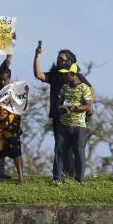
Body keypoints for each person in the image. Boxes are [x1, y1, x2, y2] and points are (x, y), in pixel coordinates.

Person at [33, 43, 92, 180]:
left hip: (76, 118)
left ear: (70, 61)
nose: (60, 61)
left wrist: (89, 108)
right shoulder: (55, 74)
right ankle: (62, 174)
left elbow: (90, 90)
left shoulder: (75, 76)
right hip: (58, 115)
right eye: (59, 59)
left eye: (63, 59)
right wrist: (37, 55)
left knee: (75, 149)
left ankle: (73, 175)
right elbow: (39, 75)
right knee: (60, 147)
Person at [0, 61, 25, 183]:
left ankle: (21, 177)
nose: (2, 82)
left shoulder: (15, 89)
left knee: (16, 151)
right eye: (0, 79)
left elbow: (22, 103)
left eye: (5, 80)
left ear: (9, 79)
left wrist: (25, 92)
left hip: (11, 125)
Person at [55, 70, 93, 182]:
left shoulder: (84, 88)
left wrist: (75, 108)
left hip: (79, 125)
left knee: (79, 152)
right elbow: (59, 102)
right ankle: (57, 178)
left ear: (73, 74)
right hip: (64, 124)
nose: (63, 76)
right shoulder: (65, 87)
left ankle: (80, 179)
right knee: (60, 151)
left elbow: (88, 105)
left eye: (65, 74)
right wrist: (60, 108)